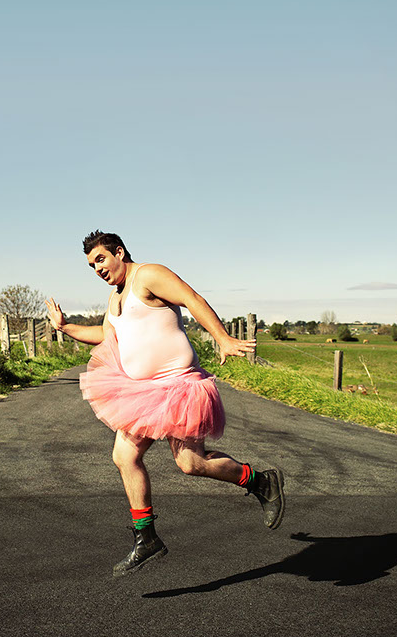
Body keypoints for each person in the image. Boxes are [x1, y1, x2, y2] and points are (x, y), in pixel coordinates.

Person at [46, 231, 285, 577]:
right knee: (124, 457)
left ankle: (260, 481)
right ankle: (146, 538)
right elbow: (105, 336)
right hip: (143, 392)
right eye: (91, 265)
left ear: (119, 252)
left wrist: (222, 337)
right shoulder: (115, 298)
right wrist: (66, 326)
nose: (97, 269)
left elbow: (191, 298)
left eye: (100, 259)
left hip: (179, 386)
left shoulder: (148, 275)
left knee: (191, 463)